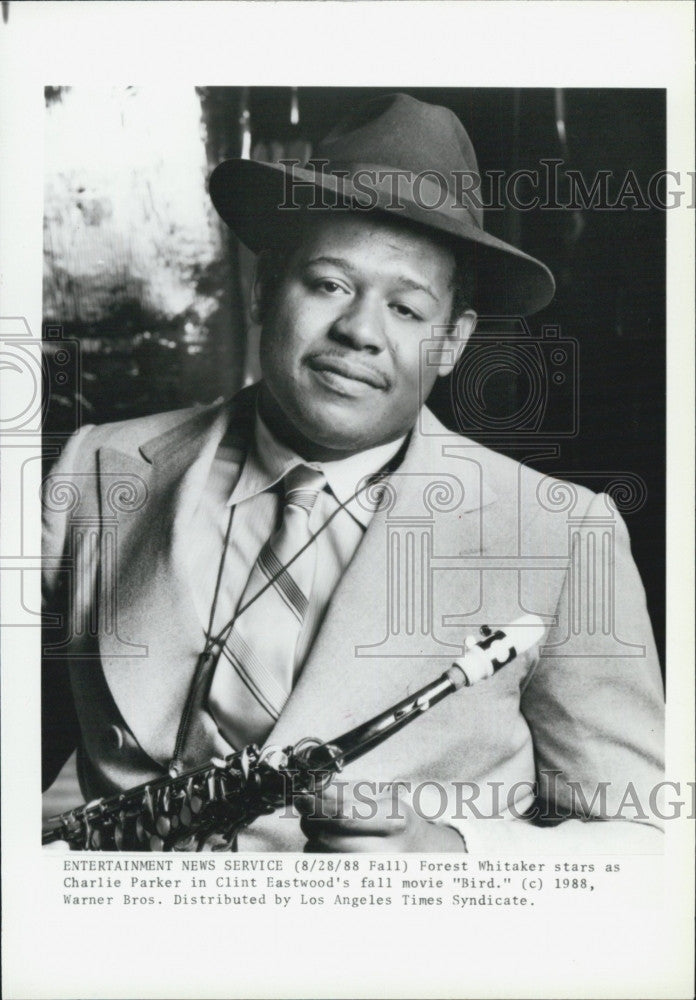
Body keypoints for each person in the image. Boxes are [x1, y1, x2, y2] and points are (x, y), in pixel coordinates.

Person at [42, 93, 664, 852]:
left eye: (406, 309)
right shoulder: (91, 471)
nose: (360, 331)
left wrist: (446, 852)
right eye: (329, 283)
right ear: (265, 290)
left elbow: (645, 846)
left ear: (453, 342)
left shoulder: (563, 534)